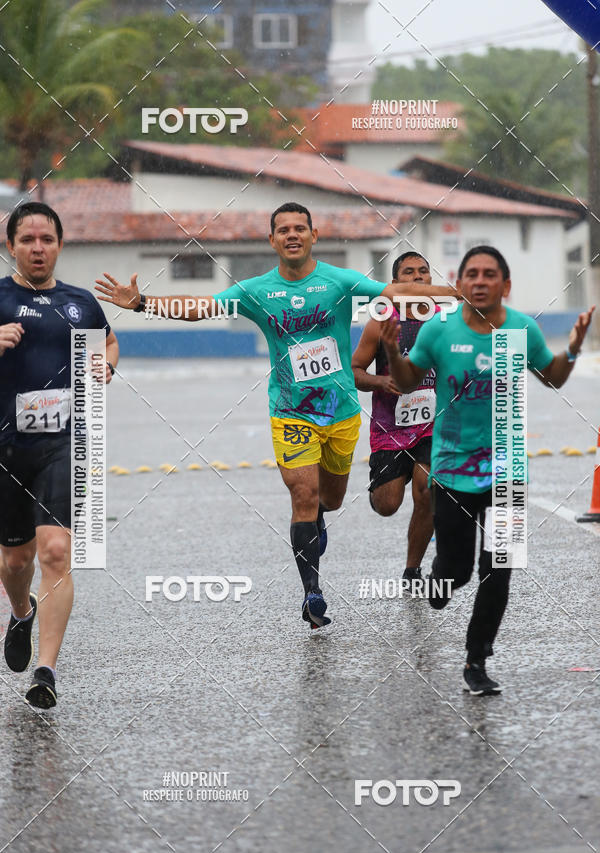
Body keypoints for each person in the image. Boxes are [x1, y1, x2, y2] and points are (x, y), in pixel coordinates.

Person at [96, 202, 458, 630]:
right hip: (290, 412)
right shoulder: (255, 291)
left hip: (340, 412)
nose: (292, 235)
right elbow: (202, 307)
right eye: (283, 229)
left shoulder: (340, 282)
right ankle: (312, 594)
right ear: (272, 240)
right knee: (302, 493)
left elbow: (396, 293)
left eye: (300, 228)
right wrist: (143, 303)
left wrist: (462, 294)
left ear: (313, 236)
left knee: (330, 499)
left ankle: (319, 514)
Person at [381, 245, 595, 695]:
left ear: (506, 284)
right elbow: (406, 381)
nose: (480, 281)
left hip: (507, 469)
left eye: (489, 274)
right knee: (456, 572)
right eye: (472, 274)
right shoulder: (440, 330)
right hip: (452, 470)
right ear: (460, 283)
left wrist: (573, 350)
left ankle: (476, 660)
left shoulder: (520, 329)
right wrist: (392, 351)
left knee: (499, 570)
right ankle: (439, 580)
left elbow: (552, 377)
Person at [0, 202, 118, 708]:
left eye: (46, 239)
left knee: (54, 552)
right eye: (27, 240)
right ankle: (21, 611)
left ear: (60, 245)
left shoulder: (80, 303)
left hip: (64, 444)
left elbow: (109, 343)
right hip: (6, 447)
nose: (37, 248)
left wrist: (105, 367)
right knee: (15, 560)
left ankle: (45, 671)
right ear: (10, 246)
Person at [352, 252, 436, 592]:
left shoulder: (446, 320)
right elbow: (355, 371)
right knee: (388, 505)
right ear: (395, 282)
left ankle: (412, 570)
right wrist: (380, 381)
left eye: (423, 271)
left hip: (434, 425)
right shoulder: (381, 322)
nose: (417, 277)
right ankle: (384, 487)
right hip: (391, 429)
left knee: (428, 489)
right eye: (408, 272)